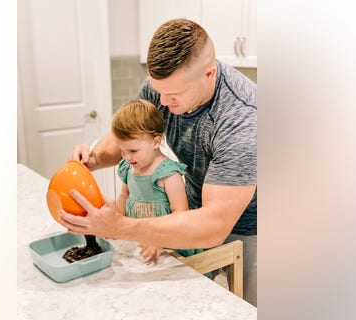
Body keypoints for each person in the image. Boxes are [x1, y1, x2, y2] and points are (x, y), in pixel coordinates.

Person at [61, 18, 257, 305]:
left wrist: (118, 226)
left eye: (173, 95)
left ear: (209, 73)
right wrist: (93, 158)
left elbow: (214, 226)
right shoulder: (165, 85)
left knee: (247, 307)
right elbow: (131, 134)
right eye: (158, 90)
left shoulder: (242, 121)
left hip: (255, 226)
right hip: (198, 210)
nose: (162, 103)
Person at [111, 99, 203, 263]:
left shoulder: (168, 175)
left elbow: (180, 214)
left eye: (132, 150)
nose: (126, 156)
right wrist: (116, 222)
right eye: (122, 150)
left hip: (171, 247)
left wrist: (159, 240)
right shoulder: (128, 168)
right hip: (141, 242)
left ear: (156, 141)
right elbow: (124, 196)